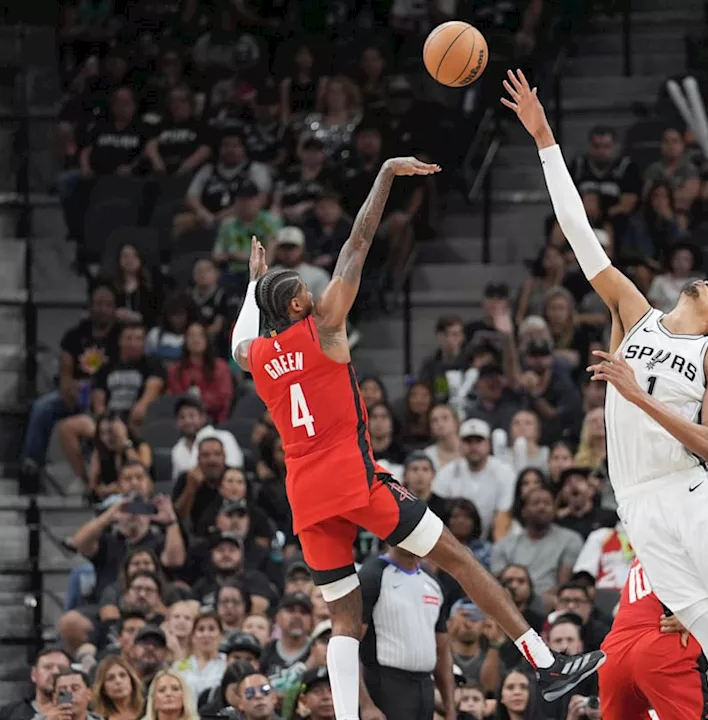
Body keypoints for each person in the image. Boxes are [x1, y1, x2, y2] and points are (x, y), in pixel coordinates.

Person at [230, 155, 603, 720]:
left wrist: (254, 285)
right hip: (353, 479)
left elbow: (240, 339)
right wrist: (382, 176)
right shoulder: (324, 326)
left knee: (345, 619)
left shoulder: (257, 357)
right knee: (458, 559)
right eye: (305, 287)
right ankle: (546, 664)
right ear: (301, 305)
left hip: (304, 494)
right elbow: (357, 244)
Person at [502, 68, 708, 720]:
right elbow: (581, 236)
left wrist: (636, 396)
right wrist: (547, 139)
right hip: (635, 500)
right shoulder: (634, 313)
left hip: (687, 488)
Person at [597, 560, 708, 719]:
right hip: (663, 643)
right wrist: (697, 614)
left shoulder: (644, 549)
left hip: (613, 654)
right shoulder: (695, 539)